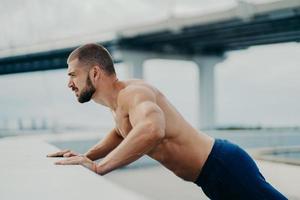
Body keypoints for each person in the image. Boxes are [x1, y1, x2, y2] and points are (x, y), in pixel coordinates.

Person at [47, 43, 287, 200]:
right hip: (210, 177)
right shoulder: (118, 104)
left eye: (73, 75)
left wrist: (100, 167)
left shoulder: (133, 93)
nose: (69, 84)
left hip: (223, 166)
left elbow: (152, 129)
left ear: (95, 73)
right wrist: (88, 156)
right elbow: (121, 132)